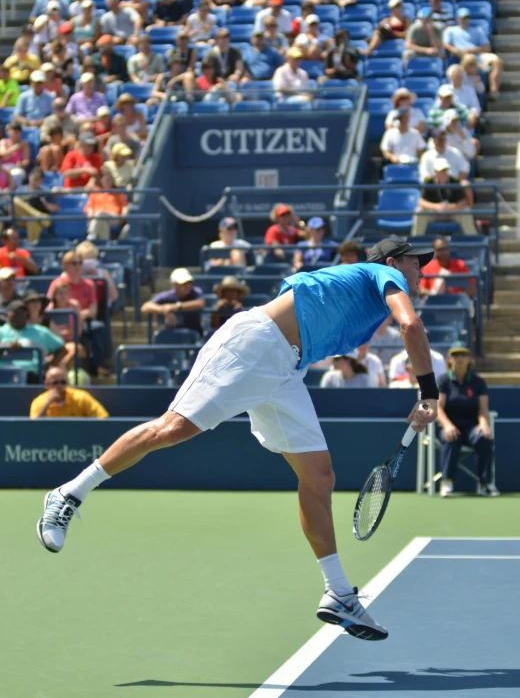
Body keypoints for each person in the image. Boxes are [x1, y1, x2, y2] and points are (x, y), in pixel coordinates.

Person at [36, 237, 439, 647]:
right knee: (173, 428)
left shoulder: (368, 301)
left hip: (286, 369)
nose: (421, 270)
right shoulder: (385, 276)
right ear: (392, 261)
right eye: (415, 263)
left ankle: (338, 592)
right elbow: (410, 325)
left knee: (319, 477)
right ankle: (69, 493)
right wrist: (428, 393)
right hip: (255, 344)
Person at [437, 344, 499, 497]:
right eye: (455, 355)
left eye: (463, 355)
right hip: (450, 427)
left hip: (471, 428)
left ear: (469, 359)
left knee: (484, 437)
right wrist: (447, 426)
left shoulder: (478, 382)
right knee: (451, 438)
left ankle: (485, 484)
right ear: (449, 359)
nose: (459, 359)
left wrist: (483, 424)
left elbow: (483, 409)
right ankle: (447, 482)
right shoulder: (443, 380)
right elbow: (437, 408)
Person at [442, 8, 503, 96]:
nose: (464, 20)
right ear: (457, 19)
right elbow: (446, 44)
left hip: (478, 54)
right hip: (460, 55)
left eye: (466, 18)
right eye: (462, 18)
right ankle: (481, 67)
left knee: (498, 61)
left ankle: (494, 90)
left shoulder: (477, 31)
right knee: (469, 57)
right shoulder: (450, 30)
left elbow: (487, 47)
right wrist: (455, 50)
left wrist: (473, 49)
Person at [0, 299, 65, 380]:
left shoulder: (40, 331)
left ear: (26, 315)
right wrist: (6, 346)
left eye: (22, 312)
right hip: (4, 373)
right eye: (15, 312)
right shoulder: (1, 331)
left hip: (33, 374)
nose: (19, 315)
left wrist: (48, 365)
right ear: (7, 315)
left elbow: (61, 349)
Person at [413, 158, 477, 235]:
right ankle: (416, 242)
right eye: (440, 171)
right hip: (435, 213)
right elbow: (421, 202)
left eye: (445, 170)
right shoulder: (429, 181)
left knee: (466, 211)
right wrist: (436, 207)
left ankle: (474, 241)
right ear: (435, 172)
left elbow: (463, 202)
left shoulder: (455, 181)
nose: (443, 173)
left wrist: (449, 207)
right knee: (419, 212)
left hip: (452, 212)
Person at [141, 267, 206, 334]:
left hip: (195, 332)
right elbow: (145, 307)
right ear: (174, 285)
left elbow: (200, 303)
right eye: (183, 283)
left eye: (189, 282)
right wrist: (165, 310)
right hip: (171, 333)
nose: (187, 286)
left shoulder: (196, 292)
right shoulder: (167, 295)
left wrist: (174, 307)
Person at [30, 365, 109, 418]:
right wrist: (47, 402)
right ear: (47, 384)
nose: (59, 386)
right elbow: (34, 426)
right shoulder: (38, 402)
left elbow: (103, 417)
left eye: (63, 382)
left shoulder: (80, 397)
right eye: (55, 383)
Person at [12, 168, 59, 243]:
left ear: (42, 180)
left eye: (38, 179)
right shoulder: (21, 189)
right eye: (34, 178)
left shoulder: (45, 191)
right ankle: (38, 215)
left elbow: (56, 208)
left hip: (37, 219)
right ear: (29, 177)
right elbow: (14, 206)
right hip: (24, 218)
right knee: (15, 201)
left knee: (33, 220)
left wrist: (45, 204)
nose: (36, 181)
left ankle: (31, 247)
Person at [45, 281, 84, 368]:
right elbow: (47, 333)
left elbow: (77, 332)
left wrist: (60, 333)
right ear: (54, 295)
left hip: (68, 342)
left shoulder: (74, 307)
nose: (63, 296)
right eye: (60, 293)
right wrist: (65, 332)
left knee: (77, 349)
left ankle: (56, 369)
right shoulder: (48, 310)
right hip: (53, 343)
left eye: (66, 293)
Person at [84, 170, 128, 240]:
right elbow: (89, 206)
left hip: (114, 217)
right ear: (101, 181)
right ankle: (105, 245)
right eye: (105, 180)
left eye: (109, 180)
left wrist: (122, 216)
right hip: (98, 219)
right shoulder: (96, 192)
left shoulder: (117, 192)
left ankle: (91, 234)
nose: (107, 182)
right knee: (103, 222)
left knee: (100, 214)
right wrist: (91, 215)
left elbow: (124, 206)